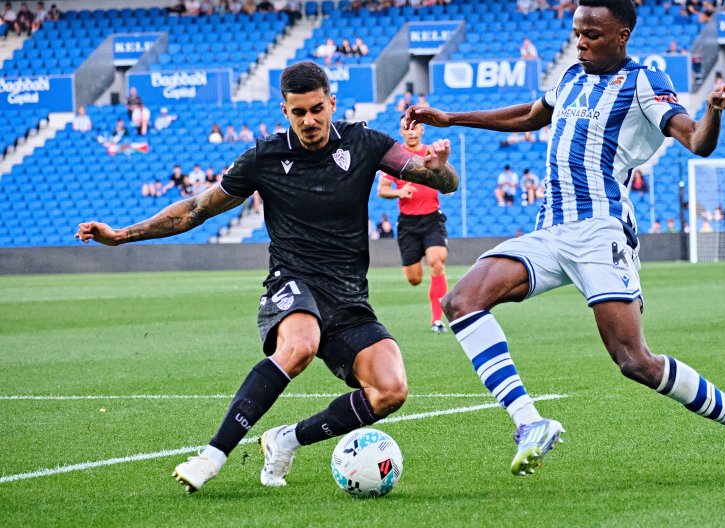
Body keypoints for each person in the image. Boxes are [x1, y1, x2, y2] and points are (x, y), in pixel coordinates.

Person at [404, 0, 725, 479]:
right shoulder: (571, 78)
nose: (581, 42)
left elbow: (695, 139)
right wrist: (452, 118)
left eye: (592, 35)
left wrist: (714, 111)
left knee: (634, 361)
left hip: (601, 231)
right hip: (551, 230)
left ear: (622, 36)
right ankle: (530, 423)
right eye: (577, 33)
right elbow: (530, 116)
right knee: (461, 302)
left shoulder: (644, 81)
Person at [74, 62, 458, 494]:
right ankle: (211, 456)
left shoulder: (364, 142)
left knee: (391, 389)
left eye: (317, 109)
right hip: (292, 281)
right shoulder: (264, 157)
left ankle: (285, 440)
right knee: (301, 344)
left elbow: (444, 182)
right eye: (299, 112)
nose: (309, 120)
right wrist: (122, 235)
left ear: (332, 104)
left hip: (348, 296)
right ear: (285, 111)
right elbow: (196, 209)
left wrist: (439, 168)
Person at [378, 117, 453, 333]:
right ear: (401, 132)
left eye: (415, 127)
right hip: (408, 223)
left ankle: (437, 320)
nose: (411, 132)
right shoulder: (395, 157)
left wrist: (446, 183)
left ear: (422, 130)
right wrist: (399, 192)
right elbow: (382, 190)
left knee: (437, 261)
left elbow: (447, 180)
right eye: (406, 128)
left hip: (432, 219)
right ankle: (418, 266)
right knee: (414, 279)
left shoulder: (432, 153)